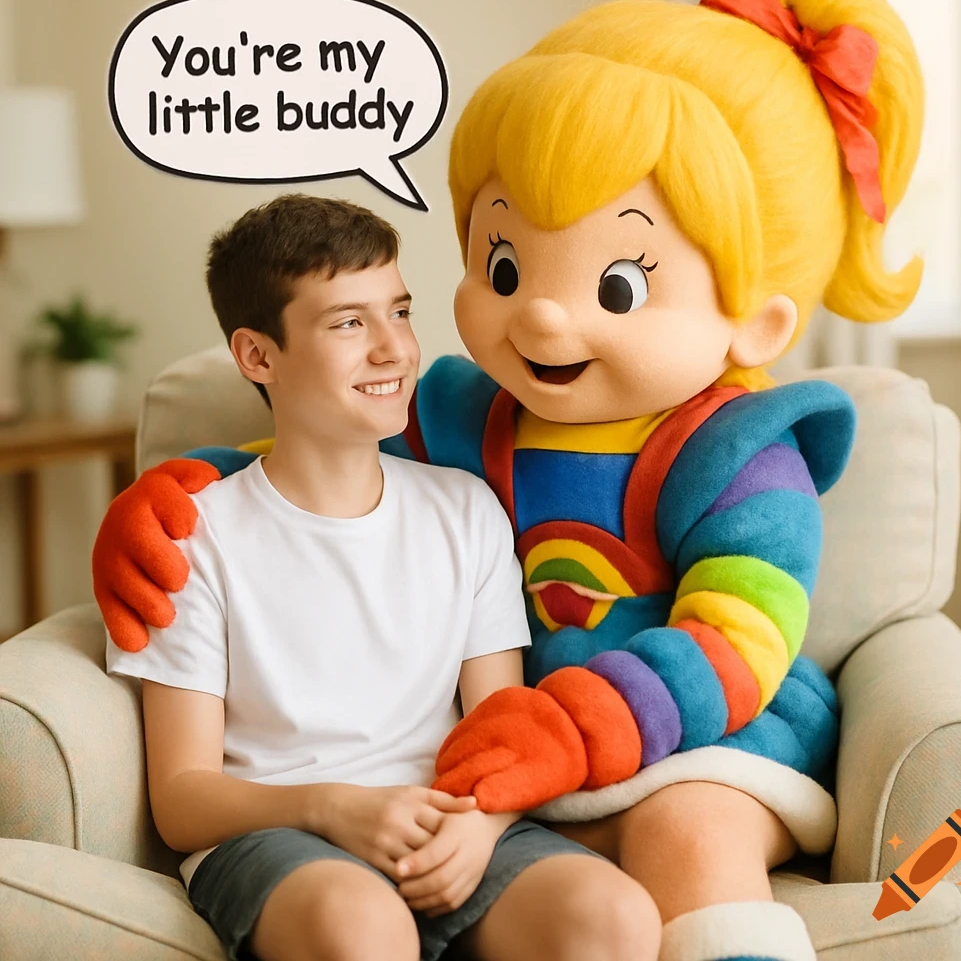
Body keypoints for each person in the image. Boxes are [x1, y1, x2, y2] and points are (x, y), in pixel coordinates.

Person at [96, 0, 926, 960]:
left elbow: (738, 636)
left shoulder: (732, 457)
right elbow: (321, 454)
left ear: (758, 321)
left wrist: (542, 756)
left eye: (615, 282)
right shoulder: (464, 420)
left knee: (679, 839)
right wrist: (187, 486)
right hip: (492, 773)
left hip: (692, 740)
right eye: (503, 262)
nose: (536, 310)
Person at [103, 194, 662, 961]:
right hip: (279, 836)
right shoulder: (191, 537)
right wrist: (335, 809)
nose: (394, 348)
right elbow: (181, 798)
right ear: (257, 355)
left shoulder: (464, 510)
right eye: (347, 322)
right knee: (361, 928)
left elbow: (498, 726)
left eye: (398, 311)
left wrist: (485, 821)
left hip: (450, 823)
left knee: (612, 915)